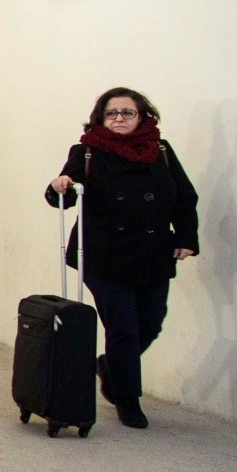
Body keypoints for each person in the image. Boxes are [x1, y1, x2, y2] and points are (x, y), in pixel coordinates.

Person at [44, 88, 198, 429]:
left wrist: (187, 237)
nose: (119, 119)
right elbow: (62, 195)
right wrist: (60, 186)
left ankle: (110, 368)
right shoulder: (86, 152)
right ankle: (127, 398)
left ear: (142, 116)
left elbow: (184, 197)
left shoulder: (160, 151)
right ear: (100, 118)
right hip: (103, 257)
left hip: (154, 253)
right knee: (124, 328)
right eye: (112, 113)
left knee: (151, 323)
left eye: (127, 113)